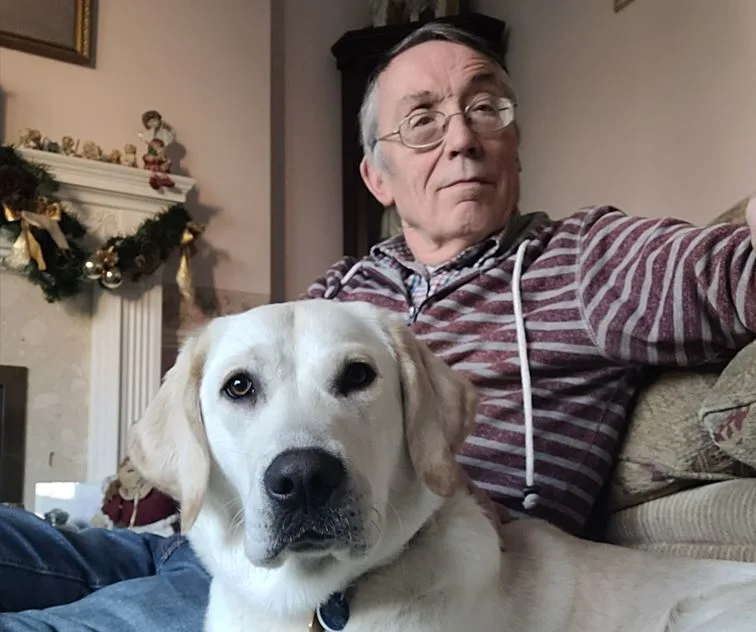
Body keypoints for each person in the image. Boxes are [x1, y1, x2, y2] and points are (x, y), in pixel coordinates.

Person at [2, 20, 756, 631]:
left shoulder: (587, 261)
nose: (461, 138)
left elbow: (731, 270)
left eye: (486, 107)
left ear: (515, 139)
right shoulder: (344, 288)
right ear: (377, 175)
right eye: (422, 121)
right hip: (197, 549)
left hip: (351, 580)